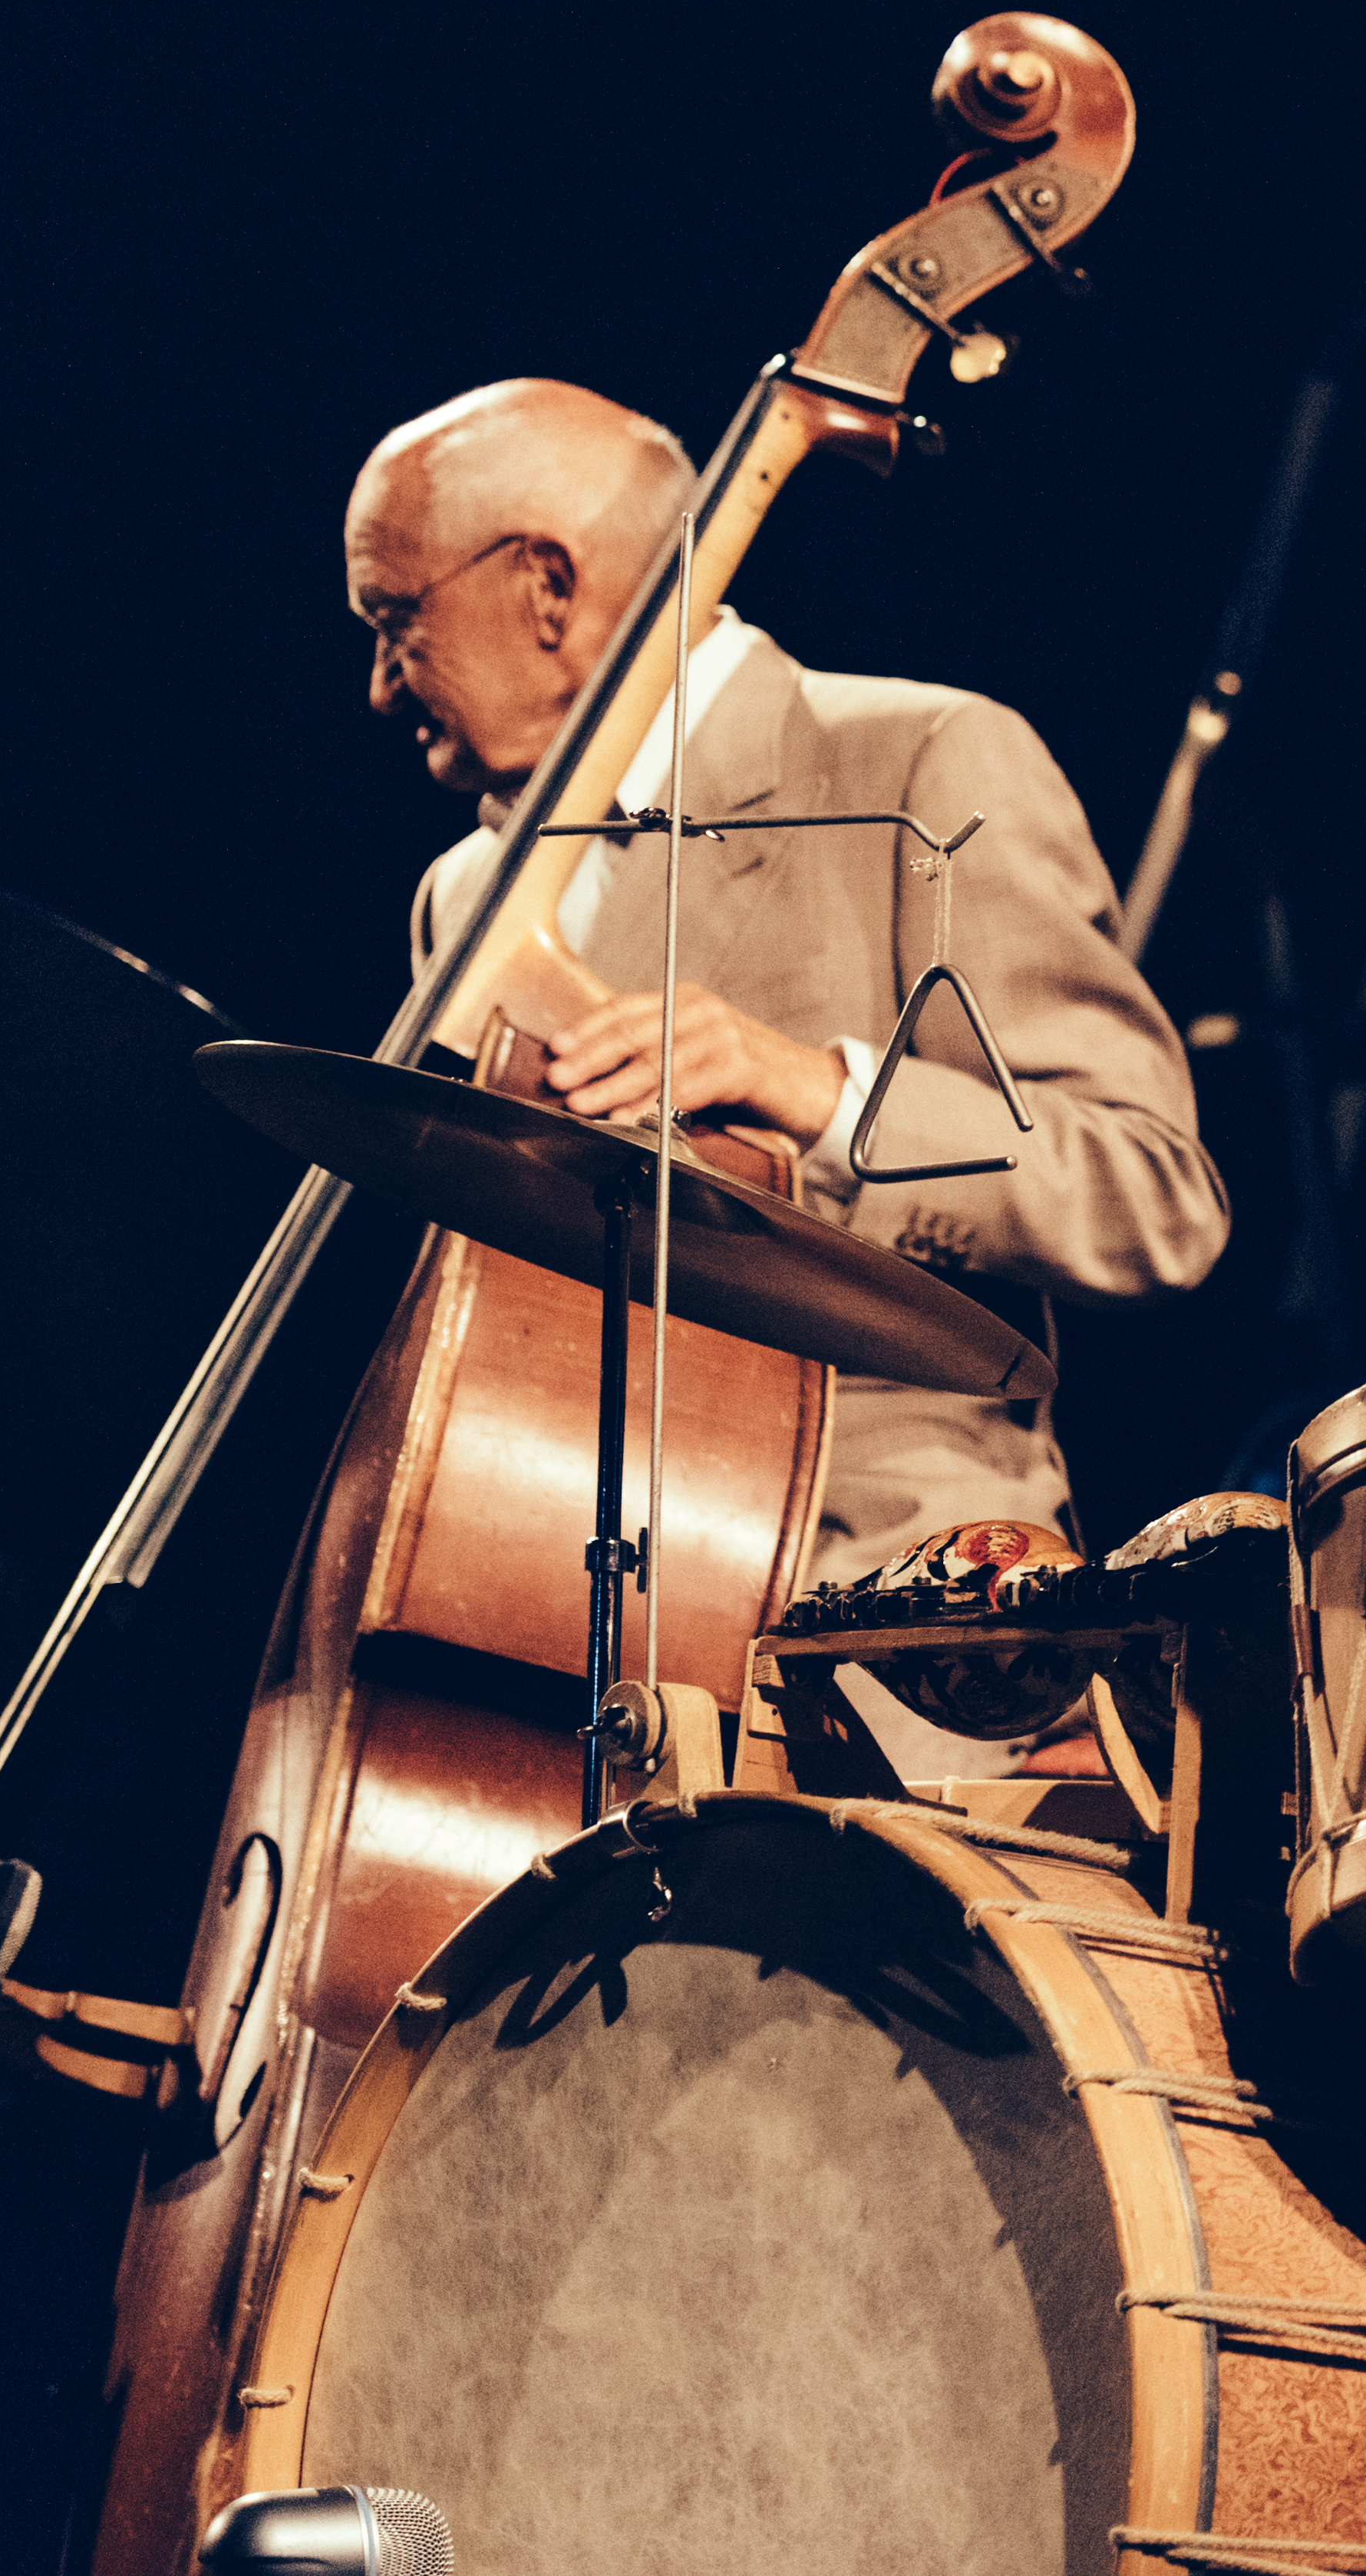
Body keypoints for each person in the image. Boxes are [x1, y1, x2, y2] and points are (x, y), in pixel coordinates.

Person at [350, 378, 1229, 1770]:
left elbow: (1150, 1194)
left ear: (547, 587)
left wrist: (816, 1088)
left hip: (889, 1629)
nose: (381, 682)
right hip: (539, 1636)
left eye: (395, 619)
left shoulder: (921, 758)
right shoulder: (467, 892)